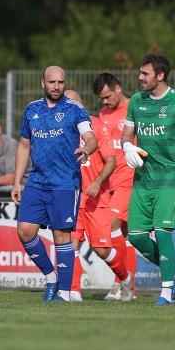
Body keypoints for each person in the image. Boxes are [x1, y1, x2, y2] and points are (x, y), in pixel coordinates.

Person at [120, 54, 175, 305]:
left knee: (162, 233)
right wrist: (127, 147)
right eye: (140, 72)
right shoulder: (137, 101)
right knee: (136, 237)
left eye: (145, 73)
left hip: (170, 180)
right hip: (142, 181)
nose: (140, 77)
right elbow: (127, 134)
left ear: (160, 75)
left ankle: (166, 292)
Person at [12, 66, 97, 303]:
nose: (57, 86)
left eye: (61, 82)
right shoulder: (31, 109)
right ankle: (51, 278)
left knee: (61, 236)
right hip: (37, 181)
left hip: (65, 183)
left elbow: (91, 138)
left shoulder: (75, 109)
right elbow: (24, 146)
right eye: (52, 82)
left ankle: (65, 293)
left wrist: (87, 149)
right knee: (25, 230)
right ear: (43, 83)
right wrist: (17, 181)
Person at [63, 90, 131, 302]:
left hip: (96, 198)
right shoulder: (59, 129)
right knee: (70, 244)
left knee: (102, 250)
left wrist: (97, 181)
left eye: (72, 105)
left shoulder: (97, 126)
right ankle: (74, 291)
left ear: (81, 107)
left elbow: (111, 161)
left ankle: (124, 278)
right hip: (72, 197)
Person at [93, 72, 140, 300]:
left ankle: (120, 282)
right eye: (102, 98)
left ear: (118, 89)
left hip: (129, 179)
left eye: (108, 96)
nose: (105, 101)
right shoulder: (103, 114)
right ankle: (129, 287)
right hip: (109, 182)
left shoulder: (135, 108)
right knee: (125, 235)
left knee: (110, 226)